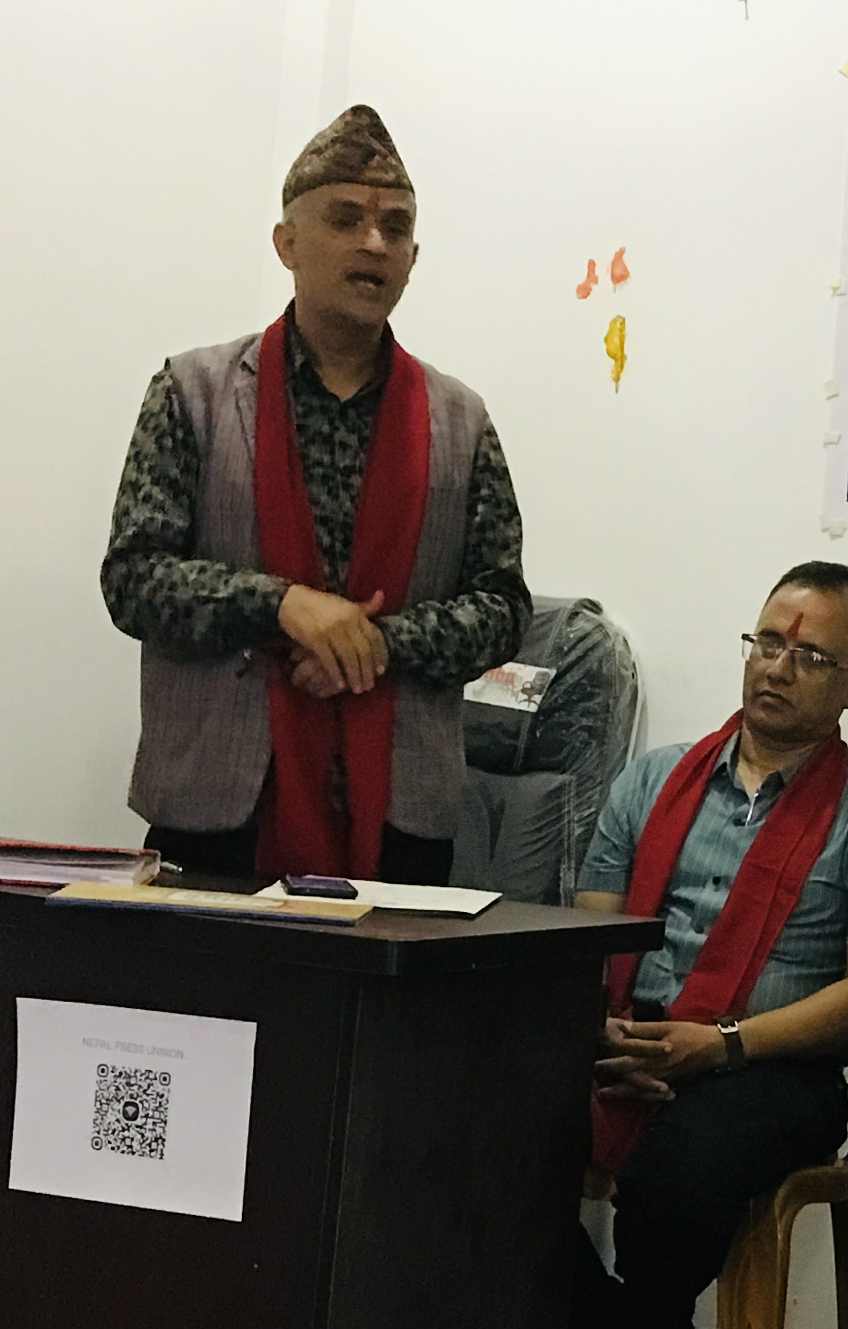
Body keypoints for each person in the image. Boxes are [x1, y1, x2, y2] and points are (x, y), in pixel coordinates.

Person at [564, 561, 848, 1329]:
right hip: (629, 1036)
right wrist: (605, 1030)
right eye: (768, 642)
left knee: (680, 1168)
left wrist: (719, 1045)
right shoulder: (653, 780)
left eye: (811, 657)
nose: (777, 668)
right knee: (477, 1139)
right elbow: (590, 933)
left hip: (772, 1067)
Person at [98, 105, 530, 884]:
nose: (374, 243)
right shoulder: (193, 393)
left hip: (401, 816)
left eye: (395, 227)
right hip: (219, 808)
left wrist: (376, 644)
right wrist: (282, 606)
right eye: (346, 218)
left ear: (413, 258)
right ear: (287, 243)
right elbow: (133, 580)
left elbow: (503, 608)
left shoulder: (460, 420)